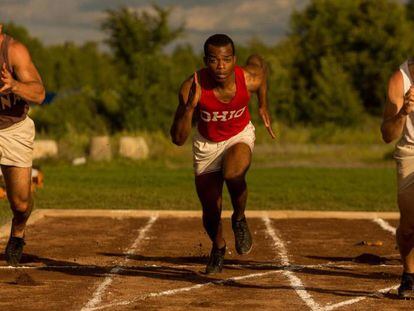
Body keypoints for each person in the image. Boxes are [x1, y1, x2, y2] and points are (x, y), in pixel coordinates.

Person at [170, 34, 275, 274]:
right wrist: (189, 109)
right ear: (206, 60)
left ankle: (238, 217)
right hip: (207, 145)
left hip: (239, 135)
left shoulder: (248, 78)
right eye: (214, 60)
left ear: (234, 60)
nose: (221, 66)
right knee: (210, 208)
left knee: (233, 174)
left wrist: (263, 104)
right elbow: (177, 139)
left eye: (226, 60)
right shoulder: (191, 87)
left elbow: (260, 65)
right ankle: (218, 247)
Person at [0, 24, 45, 266]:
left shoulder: (14, 51)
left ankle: (18, 231)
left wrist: (15, 85)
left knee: (20, 203)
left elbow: (39, 93)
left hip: (13, 129)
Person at [382, 58, 414, 299]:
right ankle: (409, 275)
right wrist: (404, 111)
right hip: (411, 152)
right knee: (409, 225)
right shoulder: (400, 79)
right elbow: (387, 135)